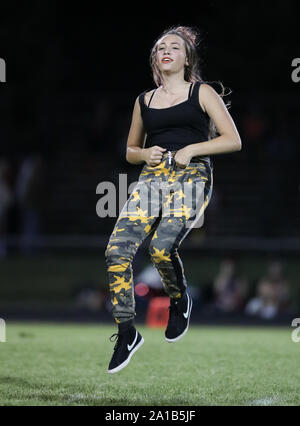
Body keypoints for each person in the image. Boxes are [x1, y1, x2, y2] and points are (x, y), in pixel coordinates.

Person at [105, 25, 241, 374]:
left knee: (161, 248)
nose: (166, 50)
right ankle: (126, 332)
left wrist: (191, 149)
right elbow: (130, 151)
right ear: (155, 58)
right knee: (117, 250)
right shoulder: (144, 100)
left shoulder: (202, 92)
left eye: (175, 47)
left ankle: (179, 301)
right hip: (152, 178)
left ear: (186, 58)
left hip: (192, 175)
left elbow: (232, 140)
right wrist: (144, 153)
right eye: (160, 47)